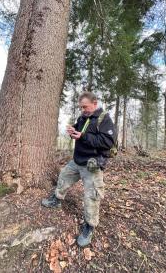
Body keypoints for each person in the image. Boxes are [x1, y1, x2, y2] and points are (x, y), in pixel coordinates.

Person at [41, 92, 116, 247]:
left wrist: (82, 136)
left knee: (91, 196)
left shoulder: (104, 119)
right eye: (81, 107)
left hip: (92, 164)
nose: (83, 110)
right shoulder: (83, 118)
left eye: (85, 107)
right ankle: (57, 199)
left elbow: (107, 142)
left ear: (95, 103)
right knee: (63, 177)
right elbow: (78, 131)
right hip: (77, 160)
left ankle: (89, 226)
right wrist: (72, 131)